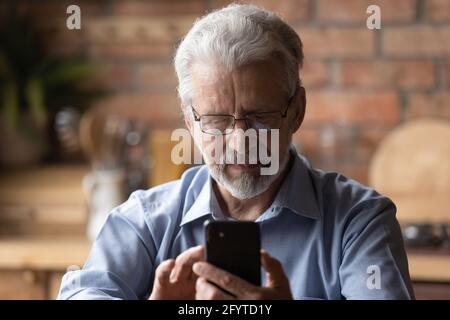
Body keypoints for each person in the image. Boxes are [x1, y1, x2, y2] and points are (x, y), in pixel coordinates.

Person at [59, 4, 414, 300]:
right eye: (215, 120)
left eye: (259, 116)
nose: (239, 140)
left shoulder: (359, 221)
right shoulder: (144, 222)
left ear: (297, 111)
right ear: (191, 123)